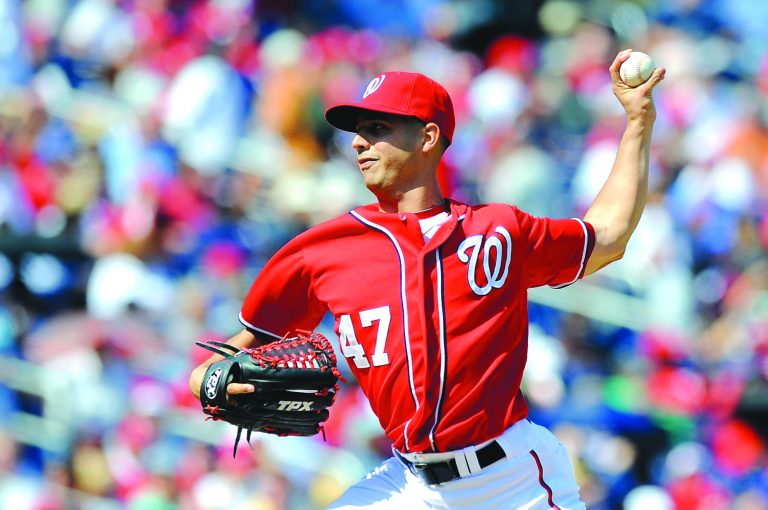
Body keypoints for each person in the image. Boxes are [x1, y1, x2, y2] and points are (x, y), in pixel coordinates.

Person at [189, 49, 665, 509]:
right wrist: (205, 381)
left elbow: (608, 236)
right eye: (358, 131)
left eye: (377, 129)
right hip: (409, 483)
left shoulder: (497, 230)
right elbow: (237, 349)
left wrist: (638, 123)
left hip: (512, 481)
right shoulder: (320, 250)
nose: (358, 141)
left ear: (428, 137)